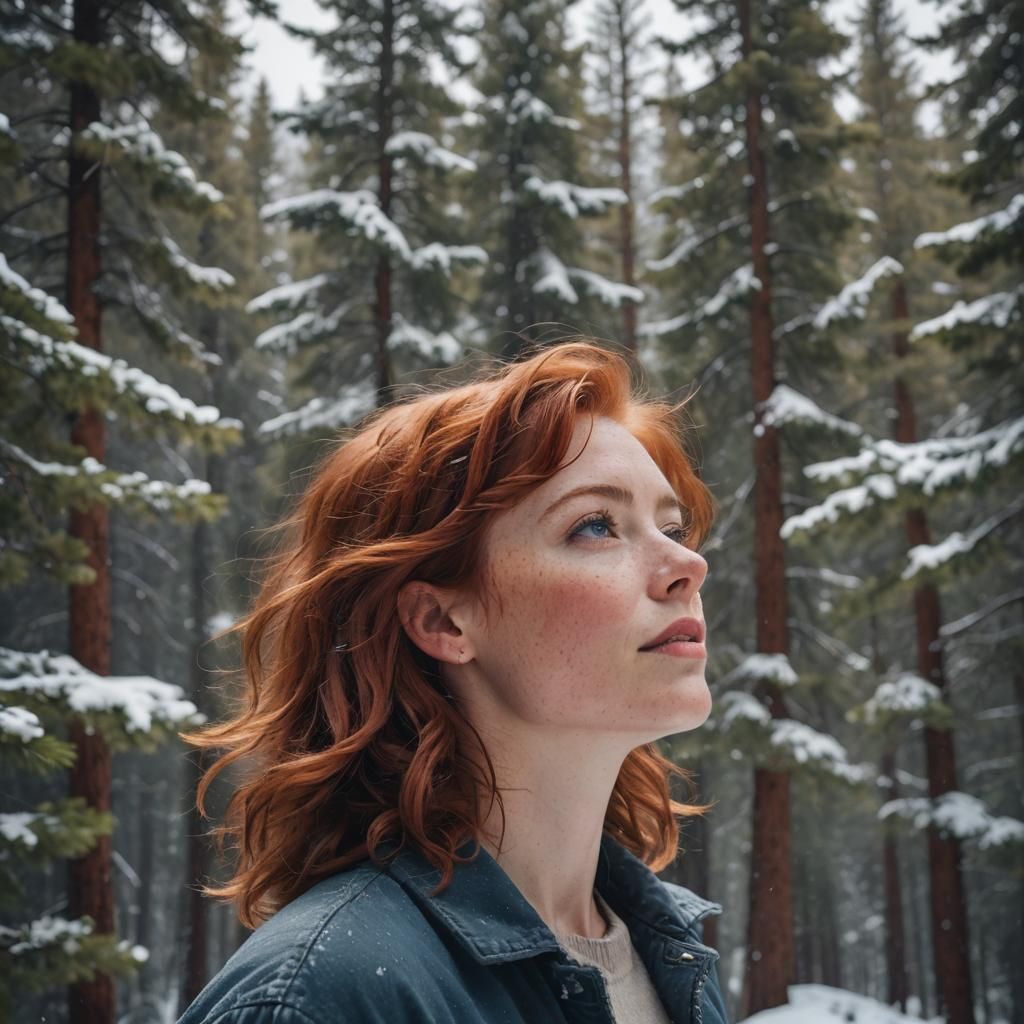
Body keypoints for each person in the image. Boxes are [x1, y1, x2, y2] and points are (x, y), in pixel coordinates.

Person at [178, 340, 728, 1024]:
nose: (688, 565)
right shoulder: (321, 998)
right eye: (595, 526)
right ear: (441, 620)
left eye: (672, 527)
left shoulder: (671, 957)